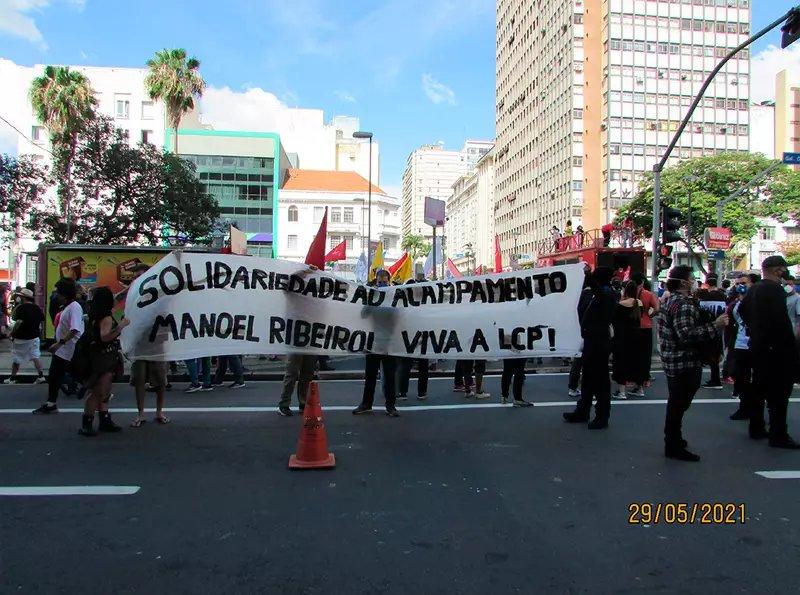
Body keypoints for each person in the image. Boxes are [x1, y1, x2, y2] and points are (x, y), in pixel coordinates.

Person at [659, 265, 728, 461]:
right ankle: (672, 443)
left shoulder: (671, 301)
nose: (694, 281)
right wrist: (715, 326)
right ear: (683, 282)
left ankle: (674, 439)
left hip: (672, 360)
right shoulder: (684, 304)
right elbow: (686, 334)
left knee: (676, 402)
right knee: (679, 403)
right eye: (691, 278)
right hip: (684, 362)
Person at [740, 256, 800, 449]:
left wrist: (753, 328)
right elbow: (780, 321)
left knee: (759, 388)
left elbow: (741, 310)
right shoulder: (775, 290)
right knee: (779, 393)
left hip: (758, 346)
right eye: (783, 269)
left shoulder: (755, 288)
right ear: (778, 270)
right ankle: (778, 434)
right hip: (777, 349)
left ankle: (756, 427)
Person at [563, 266, 617, 429]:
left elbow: (600, 294)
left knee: (600, 381)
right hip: (589, 340)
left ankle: (602, 416)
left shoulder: (609, 294)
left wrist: (587, 275)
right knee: (587, 378)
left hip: (600, 342)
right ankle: (583, 410)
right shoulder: (592, 295)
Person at [77, 287, 127, 436]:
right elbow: (105, 337)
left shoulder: (94, 314)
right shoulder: (105, 317)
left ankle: (104, 420)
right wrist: (120, 327)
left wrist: (130, 287)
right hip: (103, 359)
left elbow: (119, 297)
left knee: (103, 391)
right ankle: (88, 423)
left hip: (97, 357)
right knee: (98, 391)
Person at [33, 279, 84, 414]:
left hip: (70, 348)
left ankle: (101, 394)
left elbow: (75, 330)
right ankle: (51, 403)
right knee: (55, 375)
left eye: (58, 293)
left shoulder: (74, 307)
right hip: (63, 349)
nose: (56, 296)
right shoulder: (67, 306)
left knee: (76, 374)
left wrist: (59, 343)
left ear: (65, 294)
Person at [353, 269, 399, 417]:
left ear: (389, 282)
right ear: (376, 282)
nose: (382, 284)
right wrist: (371, 298)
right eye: (379, 282)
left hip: (389, 343)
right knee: (370, 376)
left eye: (385, 282)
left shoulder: (394, 298)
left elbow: (400, 316)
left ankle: (391, 406)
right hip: (373, 342)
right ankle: (366, 404)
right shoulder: (372, 297)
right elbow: (363, 314)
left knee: (390, 376)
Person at [4, 288, 46, 384]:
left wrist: (11, 333)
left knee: (16, 357)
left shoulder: (21, 308)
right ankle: (41, 376)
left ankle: (13, 378)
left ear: (23, 297)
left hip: (21, 337)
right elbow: (41, 321)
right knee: (35, 356)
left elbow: (18, 322)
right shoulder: (37, 308)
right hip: (34, 337)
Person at [611, 281, 644, 399]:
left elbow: (614, 320)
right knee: (636, 362)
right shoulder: (639, 303)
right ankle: (639, 388)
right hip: (637, 335)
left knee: (621, 363)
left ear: (625, 291)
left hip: (622, 337)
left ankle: (622, 391)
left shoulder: (621, 304)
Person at [726, 278, 752, 421]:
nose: (741, 286)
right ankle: (745, 407)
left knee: (749, 379)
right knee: (741, 377)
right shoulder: (736, 305)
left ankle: (749, 407)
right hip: (741, 343)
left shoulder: (755, 303)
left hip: (750, 343)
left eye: (744, 283)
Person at [697, 276, 727, 390]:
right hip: (720, 327)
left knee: (710, 354)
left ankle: (715, 380)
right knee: (716, 353)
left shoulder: (705, 298)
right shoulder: (722, 295)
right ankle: (715, 378)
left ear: (707, 284)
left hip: (709, 329)